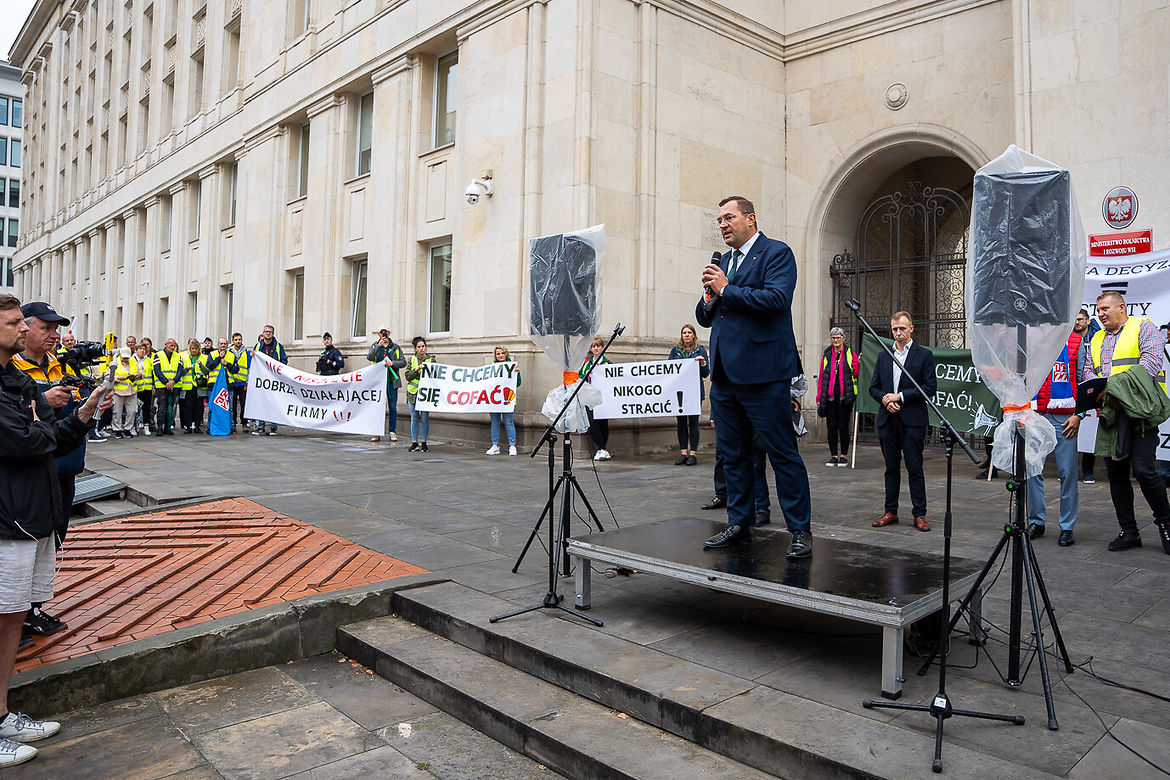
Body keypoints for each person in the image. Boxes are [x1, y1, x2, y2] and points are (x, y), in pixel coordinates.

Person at [0, 293, 111, 769]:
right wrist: (42, 422)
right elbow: (22, 441)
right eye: (12, 323)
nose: (24, 330)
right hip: (9, 518)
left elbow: (50, 434)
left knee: (12, 617)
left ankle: (1, 713)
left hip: (32, 514)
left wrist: (83, 413)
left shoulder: (16, 380)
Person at [695, 195, 812, 558]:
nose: (723, 224)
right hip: (726, 377)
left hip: (763, 374)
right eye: (719, 220)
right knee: (734, 455)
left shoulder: (777, 253)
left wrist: (727, 289)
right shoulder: (724, 261)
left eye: (729, 217)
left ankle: (799, 530)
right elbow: (704, 316)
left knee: (781, 454)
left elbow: (776, 300)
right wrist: (711, 297)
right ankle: (739, 522)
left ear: (751, 218)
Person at [10, 302, 87, 640]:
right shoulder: (11, 367)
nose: (53, 335)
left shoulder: (59, 365)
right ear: (23, 329)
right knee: (24, 542)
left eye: (56, 329)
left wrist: (90, 406)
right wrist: (45, 396)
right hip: (33, 469)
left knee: (53, 537)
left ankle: (34, 606)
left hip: (65, 465)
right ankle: (17, 612)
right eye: (46, 328)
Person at [1082, 291, 1170, 555]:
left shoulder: (1144, 327)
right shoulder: (1095, 337)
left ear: (1122, 307)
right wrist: (1099, 389)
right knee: (1116, 475)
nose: (1101, 314)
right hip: (1111, 416)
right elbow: (1088, 371)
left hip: (1141, 414)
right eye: (1099, 311)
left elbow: (1151, 364)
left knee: (1144, 470)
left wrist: (1111, 390)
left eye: (1106, 309)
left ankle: (1166, 524)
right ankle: (1129, 532)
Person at [869, 311, 937, 533]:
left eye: (902, 328)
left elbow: (929, 389)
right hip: (888, 419)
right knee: (891, 467)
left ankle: (919, 514)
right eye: (895, 329)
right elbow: (874, 387)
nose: (898, 333)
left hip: (912, 420)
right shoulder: (883, 355)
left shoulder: (924, 355)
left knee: (914, 467)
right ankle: (891, 511)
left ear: (911, 329)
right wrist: (886, 399)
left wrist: (901, 396)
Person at [1026, 326, 1085, 547]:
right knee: (1032, 471)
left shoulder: (1075, 341)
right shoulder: (1028, 338)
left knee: (1067, 473)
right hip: (1035, 414)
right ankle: (1036, 521)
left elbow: (1082, 381)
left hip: (1065, 419)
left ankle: (1067, 527)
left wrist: (1078, 414)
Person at [816, 327, 859, 467]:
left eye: (838, 337)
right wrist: (818, 398)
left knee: (843, 426)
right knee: (831, 426)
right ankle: (833, 455)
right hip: (830, 397)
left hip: (844, 397)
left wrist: (857, 364)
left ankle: (844, 456)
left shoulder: (849, 353)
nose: (836, 340)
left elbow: (856, 374)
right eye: (833, 338)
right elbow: (822, 376)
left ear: (843, 339)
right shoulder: (827, 354)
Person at [668, 324, 709, 466]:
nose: (686, 335)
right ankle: (683, 453)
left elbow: (706, 373)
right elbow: (668, 369)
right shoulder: (675, 351)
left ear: (693, 335)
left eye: (689, 332)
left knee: (693, 423)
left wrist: (702, 362)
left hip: (694, 392)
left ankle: (693, 454)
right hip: (679, 392)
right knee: (681, 423)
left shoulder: (700, 350)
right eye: (684, 332)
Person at [1073, 308, 1101, 483]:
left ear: (1088, 321)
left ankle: (1088, 471)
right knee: (1072, 432)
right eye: (1075, 320)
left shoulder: (1097, 338)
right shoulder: (1067, 338)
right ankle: (1070, 471)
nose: (1077, 322)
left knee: (1090, 431)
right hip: (1074, 388)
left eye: (1081, 319)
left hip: (1092, 386)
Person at [367, 329, 406, 443]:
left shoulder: (395, 347)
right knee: (377, 407)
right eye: (382, 333)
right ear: (379, 335)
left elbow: (403, 362)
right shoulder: (374, 345)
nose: (384, 335)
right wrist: (378, 346)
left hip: (391, 381)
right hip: (378, 382)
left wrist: (393, 363)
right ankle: (376, 431)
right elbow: (369, 357)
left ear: (389, 334)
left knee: (392, 407)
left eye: (386, 333)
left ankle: (392, 431)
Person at [580, 337, 612, 461]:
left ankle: (602, 449)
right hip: (590, 398)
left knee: (603, 424)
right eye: (593, 346)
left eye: (598, 346)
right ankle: (602, 449)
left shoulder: (607, 363)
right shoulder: (587, 362)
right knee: (592, 423)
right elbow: (580, 375)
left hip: (604, 398)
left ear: (602, 348)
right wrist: (588, 374)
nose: (596, 348)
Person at [485, 346, 521, 456]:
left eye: (502, 353)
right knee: (495, 423)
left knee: (509, 422)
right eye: (498, 354)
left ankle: (512, 446)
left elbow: (518, 383)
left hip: (507, 400)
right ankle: (495, 445)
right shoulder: (491, 366)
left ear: (506, 354)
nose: (500, 356)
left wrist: (517, 373)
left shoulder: (512, 366)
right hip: (494, 400)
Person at [253, 325, 287, 435]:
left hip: (274, 378)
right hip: (261, 378)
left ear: (273, 334)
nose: (268, 334)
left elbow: (284, 361)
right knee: (261, 402)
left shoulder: (278, 347)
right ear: (262, 333)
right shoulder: (258, 346)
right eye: (266, 332)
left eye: (270, 332)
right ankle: (261, 426)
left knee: (274, 402)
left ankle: (273, 427)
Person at [404, 337, 435, 452]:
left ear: (426, 347)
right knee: (414, 417)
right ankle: (414, 442)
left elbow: (435, 374)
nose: (421, 349)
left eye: (423, 346)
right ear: (415, 349)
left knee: (425, 417)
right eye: (419, 347)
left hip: (426, 393)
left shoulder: (431, 359)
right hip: (413, 392)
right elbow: (407, 376)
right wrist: (417, 369)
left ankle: (424, 442)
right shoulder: (412, 360)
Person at [106, 347, 142, 439]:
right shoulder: (115, 362)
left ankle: (128, 428)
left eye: (127, 357)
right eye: (124, 357)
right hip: (118, 391)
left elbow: (140, 372)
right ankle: (117, 429)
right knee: (117, 411)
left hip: (131, 389)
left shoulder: (133, 361)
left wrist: (139, 375)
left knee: (132, 411)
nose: (126, 359)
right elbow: (107, 375)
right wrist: (116, 378)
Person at [152, 338, 182, 435]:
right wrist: (167, 383)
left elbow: (180, 371)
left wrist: (173, 382)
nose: (172, 347)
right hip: (161, 386)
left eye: (174, 346)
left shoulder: (178, 356)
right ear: (166, 345)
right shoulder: (158, 355)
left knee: (171, 408)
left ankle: (168, 428)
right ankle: (160, 427)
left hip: (174, 385)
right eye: (171, 345)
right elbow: (157, 371)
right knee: (162, 407)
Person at [177, 339, 205, 434]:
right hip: (188, 386)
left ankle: (197, 426)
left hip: (199, 386)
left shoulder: (204, 357)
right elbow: (180, 372)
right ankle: (188, 426)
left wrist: (201, 366)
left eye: (196, 349)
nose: (194, 350)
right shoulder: (184, 357)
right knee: (187, 407)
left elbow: (207, 371)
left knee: (199, 407)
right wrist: (187, 369)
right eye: (192, 348)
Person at [226, 333, 249, 433]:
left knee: (244, 404)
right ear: (233, 341)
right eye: (236, 339)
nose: (238, 341)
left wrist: (247, 382)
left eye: (239, 339)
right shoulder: (228, 353)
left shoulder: (246, 353)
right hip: (232, 382)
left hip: (242, 382)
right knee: (232, 404)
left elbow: (249, 368)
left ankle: (244, 423)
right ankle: (233, 423)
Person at [133, 343, 154, 436]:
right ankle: (134, 426)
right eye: (140, 349)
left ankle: (146, 426)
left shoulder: (148, 360)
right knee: (135, 408)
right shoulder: (132, 360)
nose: (142, 351)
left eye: (143, 349)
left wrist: (153, 386)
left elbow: (152, 374)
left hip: (147, 387)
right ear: (136, 350)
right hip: (136, 388)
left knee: (147, 407)